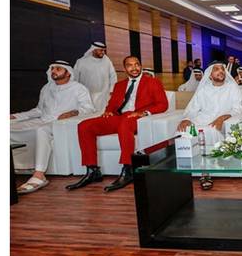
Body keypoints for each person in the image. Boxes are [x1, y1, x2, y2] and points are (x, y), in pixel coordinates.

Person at [66, 56, 169, 192]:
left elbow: (163, 104)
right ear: (124, 69)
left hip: (137, 118)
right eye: (130, 65)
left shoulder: (152, 82)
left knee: (125, 122)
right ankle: (92, 170)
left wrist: (143, 113)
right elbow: (112, 105)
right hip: (120, 117)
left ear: (140, 66)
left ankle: (128, 169)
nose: (134, 68)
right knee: (84, 126)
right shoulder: (119, 85)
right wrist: (108, 111)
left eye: (137, 64)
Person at [10, 60, 95, 194]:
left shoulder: (79, 88)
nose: (53, 71)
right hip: (42, 119)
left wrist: (73, 112)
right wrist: (16, 116)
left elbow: (89, 108)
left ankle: (39, 175)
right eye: (52, 68)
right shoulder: (47, 88)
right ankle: (15, 168)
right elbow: (39, 110)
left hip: (59, 124)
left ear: (68, 73)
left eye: (58, 69)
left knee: (42, 130)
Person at [177, 61, 242, 191]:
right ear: (209, 74)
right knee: (184, 131)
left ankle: (205, 172)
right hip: (203, 119)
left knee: (209, 131)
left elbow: (238, 108)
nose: (221, 71)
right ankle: (186, 169)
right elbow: (193, 108)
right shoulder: (204, 89)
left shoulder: (232, 87)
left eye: (222, 69)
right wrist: (186, 119)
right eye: (217, 69)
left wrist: (222, 117)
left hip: (222, 120)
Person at [73, 41, 117, 111]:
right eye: (101, 50)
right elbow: (75, 78)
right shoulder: (81, 62)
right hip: (87, 95)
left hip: (103, 95)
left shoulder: (107, 60)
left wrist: (112, 89)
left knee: (103, 113)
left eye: (104, 51)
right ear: (93, 50)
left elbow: (113, 75)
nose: (103, 52)